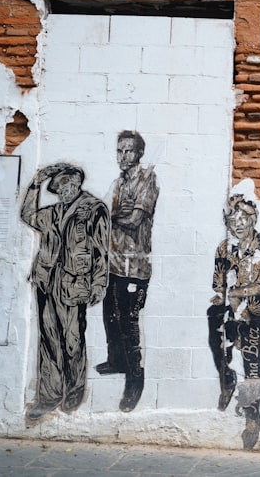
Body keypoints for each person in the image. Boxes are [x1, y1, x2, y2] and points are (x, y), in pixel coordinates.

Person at [21, 163, 109, 421]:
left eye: (68, 186)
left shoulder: (94, 209)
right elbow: (27, 216)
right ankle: (49, 396)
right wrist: (35, 184)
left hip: (74, 282)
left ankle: (74, 391)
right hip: (47, 281)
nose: (64, 192)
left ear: (78, 183)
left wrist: (98, 283)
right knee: (48, 341)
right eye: (59, 189)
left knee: (72, 341)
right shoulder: (51, 213)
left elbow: (101, 250)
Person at [207, 195, 260, 450]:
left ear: (252, 220)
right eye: (232, 219)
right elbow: (218, 283)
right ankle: (226, 376)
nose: (237, 224)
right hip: (234, 310)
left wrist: (237, 295)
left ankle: (252, 417)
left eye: (242, 218)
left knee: (253, 362)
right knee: (213, 324)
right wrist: (220, 299)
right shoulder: (224, 248)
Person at [96, 130, 159, 412]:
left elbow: (134, 220)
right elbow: (102, 210)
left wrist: (108, 214)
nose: (123, 156)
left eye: (128, 151)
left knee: (129, 323)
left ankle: (135, 380)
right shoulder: (117, 182)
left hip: (135, 266)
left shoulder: (148, 179)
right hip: (114, 262)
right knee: (110, 314)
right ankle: (117, 361)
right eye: (119, 150)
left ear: (139, 154)